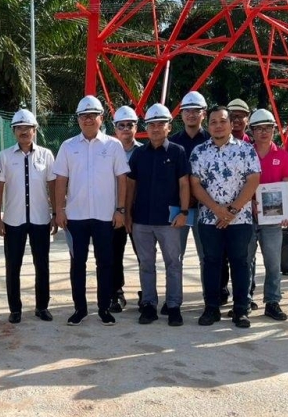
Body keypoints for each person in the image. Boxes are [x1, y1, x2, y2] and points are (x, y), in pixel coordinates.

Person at [53, 95, 130, 326]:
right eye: (83, 116)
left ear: (101, 118)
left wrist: (120, 210)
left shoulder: (113, 145)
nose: (88, 120)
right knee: (78, 264)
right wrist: (59, 210)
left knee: (105, 262)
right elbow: (60, 181)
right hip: (76, 217)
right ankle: (80, 309)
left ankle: (104, 308)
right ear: (78, 119)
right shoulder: (68, 146)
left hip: (105, 216)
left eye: (92, 115)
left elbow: (122, 180)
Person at [190, 106, 261, 327]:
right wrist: (217, 209)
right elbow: (195, 185)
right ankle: (211, 308)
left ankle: (241, 309)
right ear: (208, 125)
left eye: (222, 121)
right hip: (209, 220)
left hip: (240, 220)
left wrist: (231, 211)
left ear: (231, 124)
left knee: (240, 262)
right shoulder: (199, 152)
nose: (218, 125)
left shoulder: (246, 150)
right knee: (211, 262)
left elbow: (253, 180)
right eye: (213, 122)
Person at [125, 103, 189, 327]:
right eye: (151, 124)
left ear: (168, 127)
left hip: (169, 221)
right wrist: (127, 214)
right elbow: (130, 186)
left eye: (160, 124)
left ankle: (173, 306)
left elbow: (184, 185)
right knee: (146, 264)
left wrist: (183, 212)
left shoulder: (177, 152)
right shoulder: (139, 154)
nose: (155, 128)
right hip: (142, 220)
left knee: (173, 263)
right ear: (146, 128)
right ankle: (149, 305)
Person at [0, 109, 57, 324]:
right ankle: (15, 309)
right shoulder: (4, 156)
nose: (24, 132)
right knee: (13, 265)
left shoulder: (46, 155)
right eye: (19, 128)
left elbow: (52, 184)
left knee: (42, 264)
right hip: (13, 219)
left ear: (35, 130)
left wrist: (56, 213)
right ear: (14, 131)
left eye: (28, 128)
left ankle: (42, 307)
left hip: (40, 218)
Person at [245, 109, 288, 321]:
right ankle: (244, 301)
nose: (264, 132)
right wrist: (249, 202)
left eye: (268, 128)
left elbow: (285, 184)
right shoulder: (245, 152)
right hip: (246, 216)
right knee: (244, 260)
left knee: (273, 262)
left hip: (272, 220)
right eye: (259, 128)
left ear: (274, 129)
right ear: (252, 131)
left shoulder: (282, 155)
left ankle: (272, 302)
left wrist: (286, 212)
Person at [170, 90, 210, 283]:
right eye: (187, 110)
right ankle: (173, 300)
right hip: (179, 208)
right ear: (181, 114)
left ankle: (211, 297)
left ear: (204, 113)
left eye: (196, 110)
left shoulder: (212, 141)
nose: (191, 114)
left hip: (206, 207)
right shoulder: (173, 143)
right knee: (175, 257)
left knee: (208, 257)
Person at [109, 105, 142, 312]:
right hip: (116, 211)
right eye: (122, 125)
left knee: (144, 254)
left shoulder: (144, 151)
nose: (126, 129)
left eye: (130, 125)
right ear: (115, 128)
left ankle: (147, 292)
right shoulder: (108, 151)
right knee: (114, 254)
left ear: (136, 127)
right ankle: (116, 292)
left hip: (140, 212)